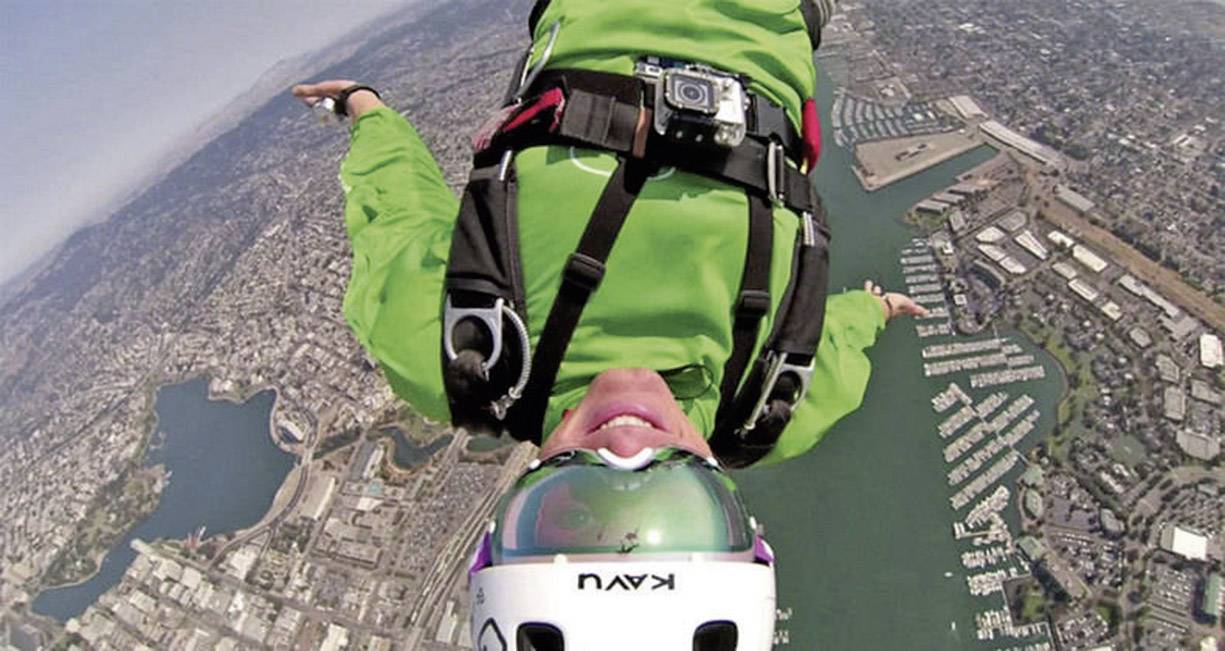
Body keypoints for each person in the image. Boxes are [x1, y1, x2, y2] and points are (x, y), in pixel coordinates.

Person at [294, 0, 926, 647]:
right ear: (738, 521)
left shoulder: (463, 357)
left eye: (569, 517)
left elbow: (397, 212)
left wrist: (363, 110)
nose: (625, 447)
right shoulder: (766, 410)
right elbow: (835, 346)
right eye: (675, 514)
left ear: (511, 514)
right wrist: (872, 308)